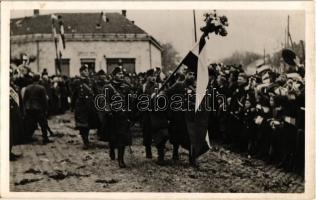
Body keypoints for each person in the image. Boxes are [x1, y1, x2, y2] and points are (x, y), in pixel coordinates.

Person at [106, 66, 132, 168]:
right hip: (113, 116)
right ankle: (112, 149)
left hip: (123, 116)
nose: (121, 76)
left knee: (122, 137)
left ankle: (120, 159)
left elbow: (130, 100)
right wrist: (108, 111)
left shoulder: (126, 86)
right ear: (114, 76)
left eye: (122, 74)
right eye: (119, 74)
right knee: (113, 137)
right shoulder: (108, 87)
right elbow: (105, 101)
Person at [71, 65, 98, 149]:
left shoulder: (92, 81)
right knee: (83, 125)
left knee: (89, 124)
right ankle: (85, 141)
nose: (87, 72)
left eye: (87, 71)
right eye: (85, 71)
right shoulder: (76, 82)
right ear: (81, 72)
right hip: (81, 106)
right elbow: (74, 95)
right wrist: (72, 106)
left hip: (90, 105)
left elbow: (96, 93)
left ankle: (86, 139)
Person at [23, 74, 52, 144]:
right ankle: (45, 138)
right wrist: (46, 109)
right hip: (38, 108)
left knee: (30, 124)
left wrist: (25, 107)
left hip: (29, 108)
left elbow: (24, 99)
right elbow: (44, 100)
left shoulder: (28, 87)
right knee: (43, 124)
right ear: (39, 79)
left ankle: (27, 137)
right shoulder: (41, 88)